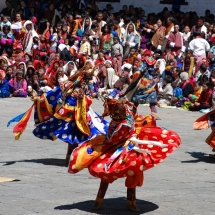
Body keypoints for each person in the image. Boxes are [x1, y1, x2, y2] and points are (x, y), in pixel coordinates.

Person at [68, 98, 181, 211]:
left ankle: (131, 202)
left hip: (130, 147)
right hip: (115, 149)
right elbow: (112, 137)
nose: (117, 116)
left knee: (133, 171)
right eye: (115, 114)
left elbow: (135, 119)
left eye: (118, 113)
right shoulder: (115, 124)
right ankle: (99, 200)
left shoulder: (127, 116)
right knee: (105, 172)